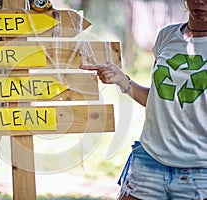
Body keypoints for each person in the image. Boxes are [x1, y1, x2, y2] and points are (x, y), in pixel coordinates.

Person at [80, 0, 207, 199]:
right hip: (150, 159)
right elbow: (158, 100)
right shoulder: (167, 36)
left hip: (199, 170)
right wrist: (122, 80)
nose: (200, 1)